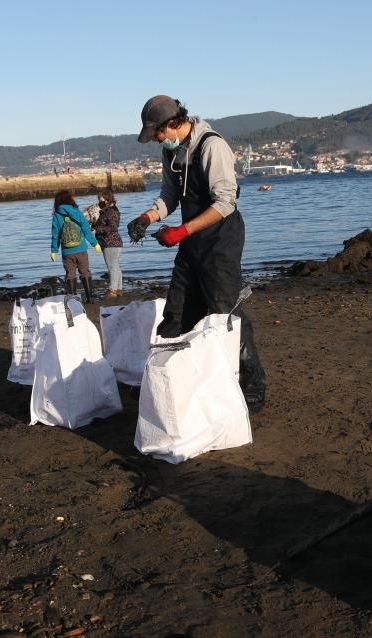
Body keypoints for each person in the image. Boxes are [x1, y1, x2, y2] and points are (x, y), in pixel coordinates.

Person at [127, 95, 266, 412]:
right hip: (191, 239)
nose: (157, 141)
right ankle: (169, 378)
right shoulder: (172, 154)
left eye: (158, 134)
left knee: (224, 311)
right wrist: (148, 217)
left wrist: (181, 231)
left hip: (221, 239)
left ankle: (252, 385)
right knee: (177, 311)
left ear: (172, 124)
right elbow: (169, 196)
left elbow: (225, 202)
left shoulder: (211, 146)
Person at [50, 190, 100, 301]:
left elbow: (55, 234)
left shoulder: (57, 216)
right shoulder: (76, 212)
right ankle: (89, 298)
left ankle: (73, 299)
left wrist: (54, 250)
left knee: (70, 274)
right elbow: (86, 229)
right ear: (70, 199)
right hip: (81, 248)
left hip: (67, 252)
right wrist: (95, 244)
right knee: (85, 272)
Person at [93, 190, 123, 298]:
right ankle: (119, 289)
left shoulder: (109, 211)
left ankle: (113, 290)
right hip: (114, 242)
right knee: (115, 266)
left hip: (110, 242)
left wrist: (97, 230)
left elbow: (112, 227)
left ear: (107, 199)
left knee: (112, 267)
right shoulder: (113, 210)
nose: (99, 203)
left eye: (101, 201)